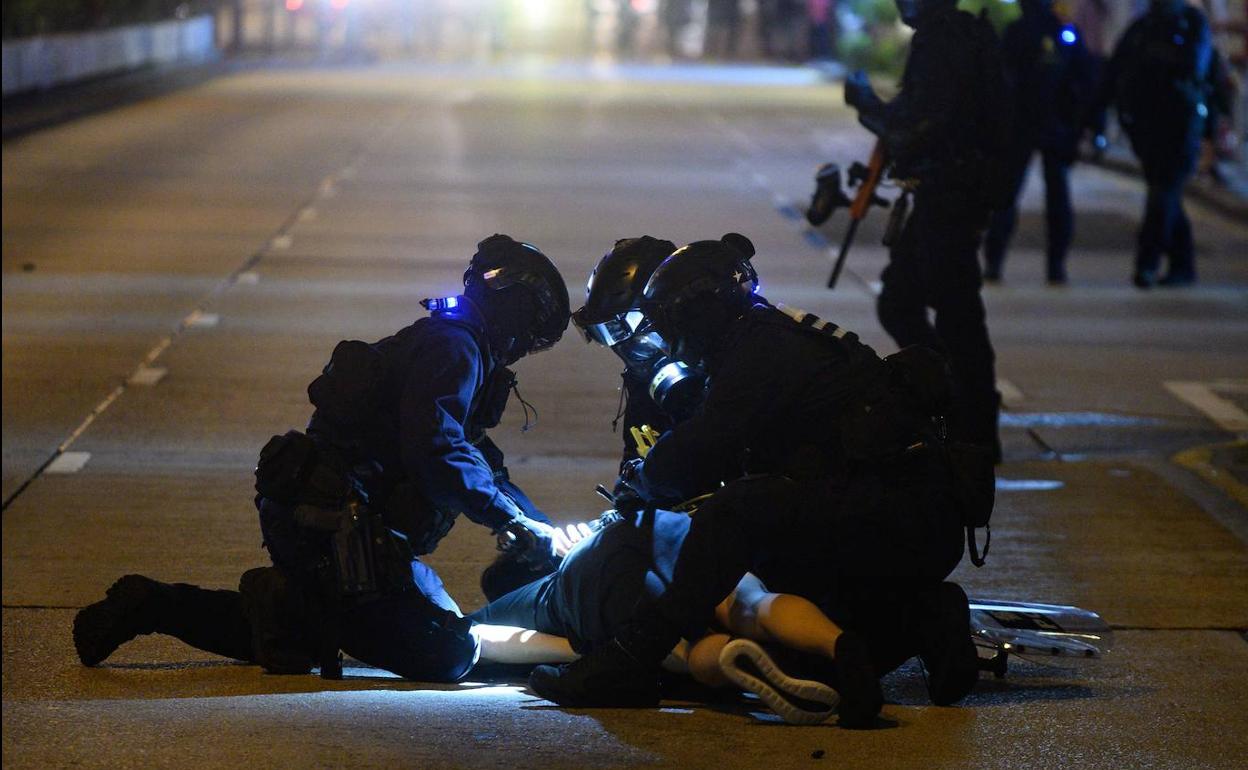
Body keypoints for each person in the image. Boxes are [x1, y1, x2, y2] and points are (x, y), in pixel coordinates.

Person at [527, 236, 988, 725]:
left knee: (733, 518)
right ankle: (927, 619)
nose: (661, 338)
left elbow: (698, 452)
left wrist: (640, 481)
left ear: (697, 312)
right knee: (789, 653)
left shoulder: (759, 349)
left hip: (898, 519)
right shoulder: (762, 335)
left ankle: (631, 659)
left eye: (665, 322)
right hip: (889, 522)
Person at [73, 234, 574, 683]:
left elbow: (481, 458)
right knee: (449, 654)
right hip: (337, 532)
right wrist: (507, 519)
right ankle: (298, 603)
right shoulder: (455, 349)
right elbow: (437, 451)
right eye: (530, 334)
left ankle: (156, 604)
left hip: (334, 528)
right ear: (515, 307)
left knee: (305, 633)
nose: (523, 350)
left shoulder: (449, 341)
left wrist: (540, 526)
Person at [841, 0, 1010, 460]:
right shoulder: (948, 37)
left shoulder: (944, 42)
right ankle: (954, 401)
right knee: (901, 302)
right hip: (945, 193)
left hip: (952, 194)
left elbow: (918, 127)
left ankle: (969, 418)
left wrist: (867, 104)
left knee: (954, 314)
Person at [1094, 0, 1216, 288]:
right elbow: (1114, 73)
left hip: (1181, 124)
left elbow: (1196, 67)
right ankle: (1182, 266)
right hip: (1147, 126)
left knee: (1163, 193)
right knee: (1165, 193)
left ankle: (1147, 263)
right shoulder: (1143, 28)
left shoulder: (1190, 24)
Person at [983, 0, 1097, 285]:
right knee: (1048, 198)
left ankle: (997, 264)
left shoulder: (1023, 31)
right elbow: (1085, 81)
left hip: (1028, 126)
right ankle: (1053, 267)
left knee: (1011, 196)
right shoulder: (1059, 32)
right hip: (1046, 126)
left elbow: (997, 79)